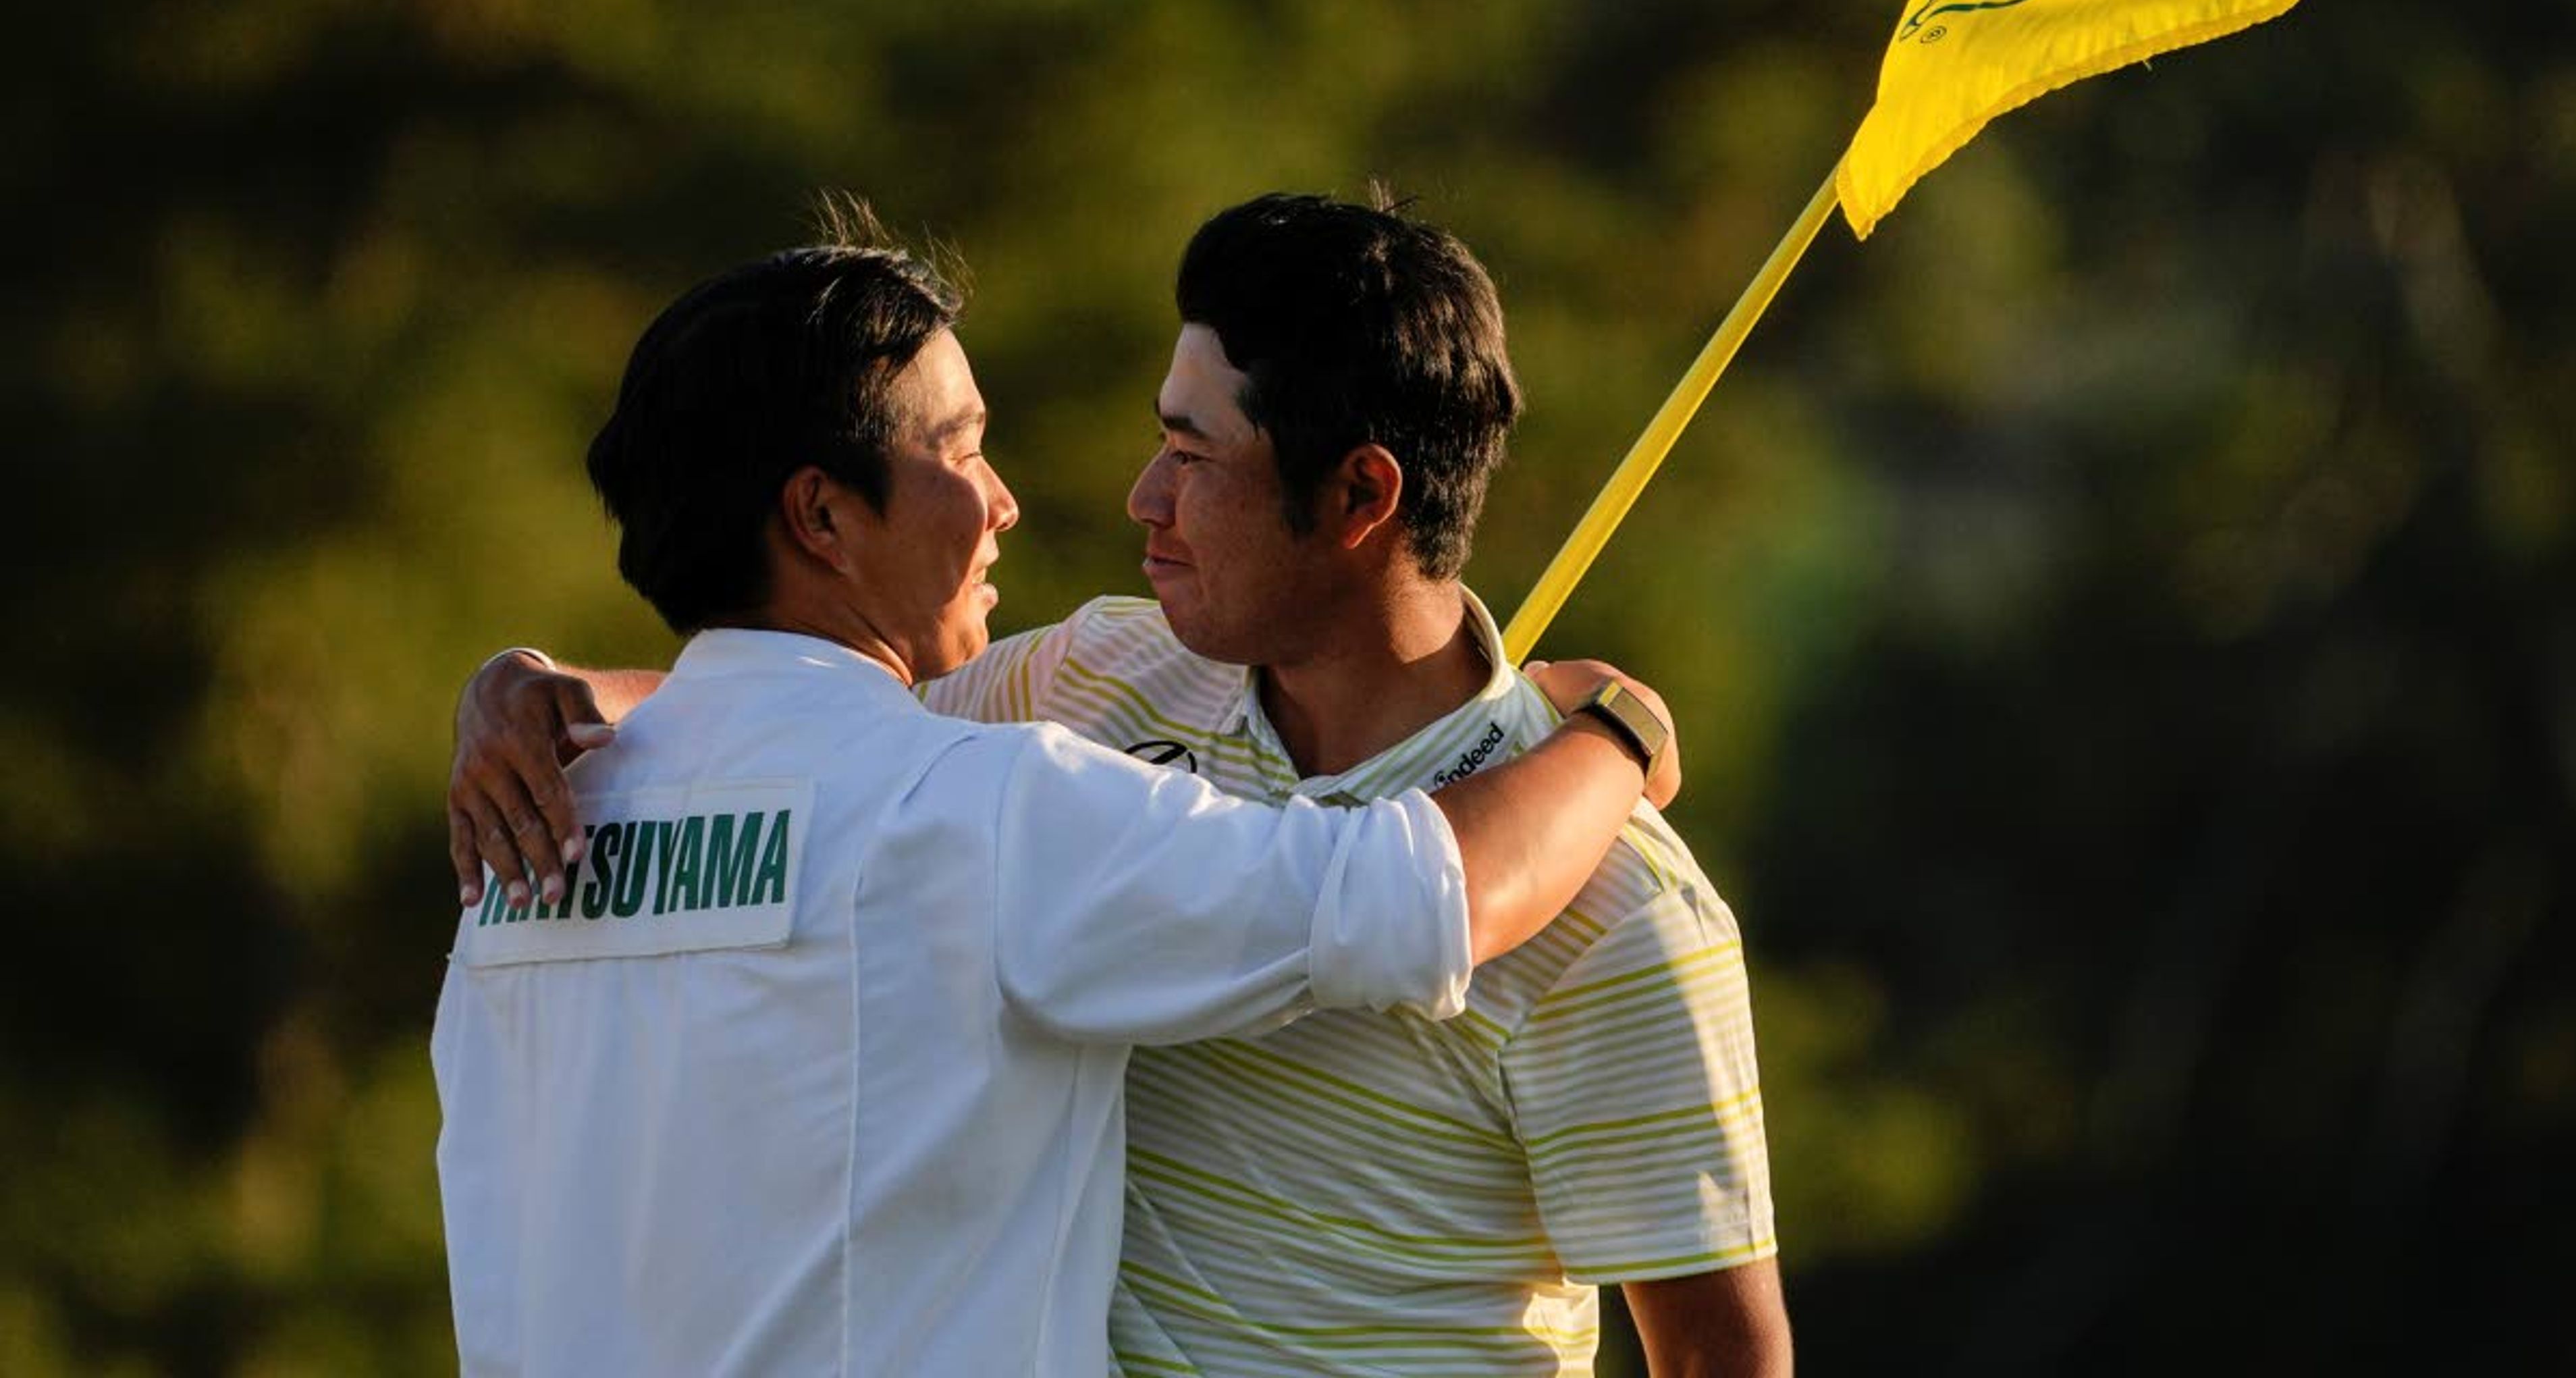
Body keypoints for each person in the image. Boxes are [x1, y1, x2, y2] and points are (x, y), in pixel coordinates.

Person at [454, 194, 1792, 1376]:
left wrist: (545, 686)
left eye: (1195, 455)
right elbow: (1411, 894)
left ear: (1360, 494)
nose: (1126, 495)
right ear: (821, 515)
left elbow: (1724, 1353)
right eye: (962, 450)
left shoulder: (1622, 908)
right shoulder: (1072, 716)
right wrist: (1619, 723)